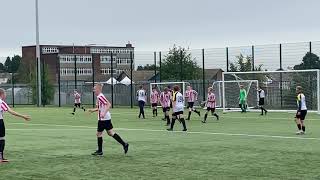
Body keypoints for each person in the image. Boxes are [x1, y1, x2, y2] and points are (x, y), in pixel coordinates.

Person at [88, 84, 129, 156]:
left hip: (103, 119)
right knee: (110, 133)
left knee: (99, 134)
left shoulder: (100, 96)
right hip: (106, 118)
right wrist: (93, 110)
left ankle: (100, 151)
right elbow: (100, 108)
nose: (93, 90)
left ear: (98, 89)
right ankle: (124, 144)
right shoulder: (100, 96)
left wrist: (103, 113)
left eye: (94, 89)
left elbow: (109, 104)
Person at [0, 88, 31, 163]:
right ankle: (0, 157)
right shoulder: (1, 102)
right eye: (5, 94)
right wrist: (23, 116)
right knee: (2, 138)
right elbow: (11, 112)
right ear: (2, 94)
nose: (6, 95)